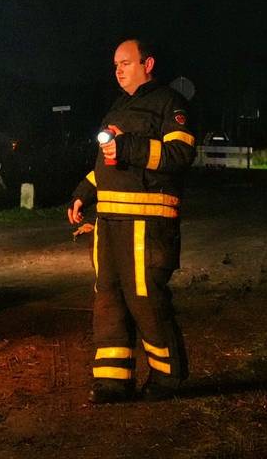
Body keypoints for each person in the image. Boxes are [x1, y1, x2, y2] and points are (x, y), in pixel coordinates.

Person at [67, 39, 197, 403]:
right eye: (115, 65)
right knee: (108, 299)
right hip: (109, 222)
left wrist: (128, 146)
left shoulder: (170, 103)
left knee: (145, 300)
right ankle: (112, 382)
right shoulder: (119, 107)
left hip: (146, 223)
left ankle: (167, 378)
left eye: (125, 63)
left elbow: (180, 154)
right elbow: (105, 164)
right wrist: (83, 192)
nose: (118, 70)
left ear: (148, 63)